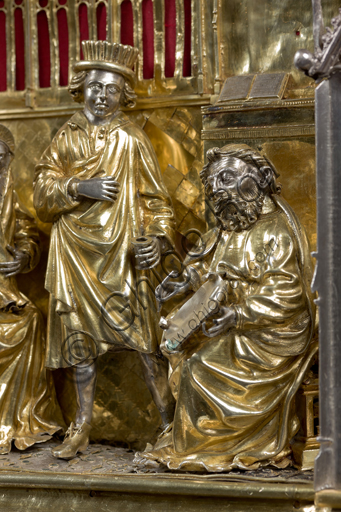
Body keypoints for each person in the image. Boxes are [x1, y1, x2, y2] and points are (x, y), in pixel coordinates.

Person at [33, 40, 176, 459]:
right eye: (95, 86)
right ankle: (81, 426)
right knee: (81, 343)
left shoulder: (131, 140)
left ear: (122, 96)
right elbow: (42, 191)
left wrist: (158, 237)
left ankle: (169, 423)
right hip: (75, 252)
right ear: (82, 88)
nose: (101, 95)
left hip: (123, 254)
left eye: (111, 89)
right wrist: (79, 186)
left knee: (145, 344)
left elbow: (157, 201)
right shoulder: (67, 136)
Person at [141, 143, 317, 472]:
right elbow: (214, 271)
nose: (219, 191)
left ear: (261, 180)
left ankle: (212, 446)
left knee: (199, 367)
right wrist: (186, 281)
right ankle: (200, 440)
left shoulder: (277, 231)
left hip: (272, 333)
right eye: (214, 186)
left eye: (228, 179)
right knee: (177, 343)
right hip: (233, 323)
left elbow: (287, 293)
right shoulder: (230, 227)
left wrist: (237, 315)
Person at [0, 124, 62, 454]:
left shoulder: (8, 197)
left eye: (1, 158)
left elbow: (26, 233)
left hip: (4, 293)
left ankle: (19, 418)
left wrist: (23, 256)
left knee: (31, 322)